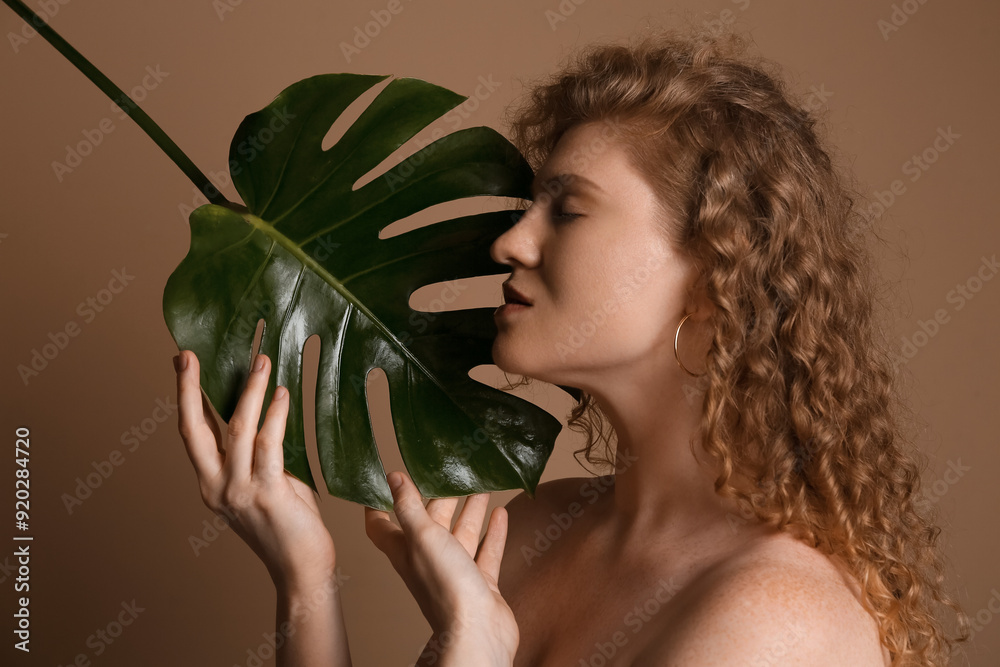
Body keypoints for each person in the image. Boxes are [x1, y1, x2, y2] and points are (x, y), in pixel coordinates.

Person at [173, 27, 970, 667]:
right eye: (528, 206)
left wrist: (475, 650)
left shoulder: (775, 620)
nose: (509, 243)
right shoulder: (537, 529)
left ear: (711, 273)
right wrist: (304, 576)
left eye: (569, 211)